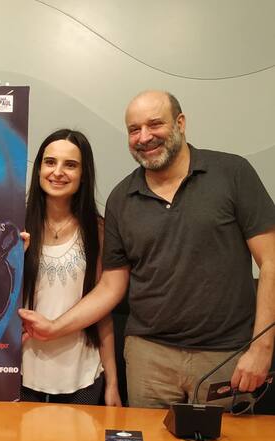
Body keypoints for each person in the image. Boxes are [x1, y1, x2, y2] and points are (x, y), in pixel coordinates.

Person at [20, 91, 275, 409]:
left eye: (155, 124)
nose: (144, 137)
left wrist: (262, 348)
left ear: (180, 123)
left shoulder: (232, 173)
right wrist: (53, 328)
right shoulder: (121, 199)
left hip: (226, 356)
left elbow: (271, 260)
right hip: (148, 359)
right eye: (134, 129)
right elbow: (110, 287)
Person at [19, 129, 121, 406]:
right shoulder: (16, 225)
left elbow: (102, 309)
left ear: (83, 174)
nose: (58, 172)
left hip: (82, 374)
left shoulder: (98, 230)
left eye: (71, 165)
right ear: (39, 169)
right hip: (21, 371)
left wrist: (112, 383)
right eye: (50, 162)